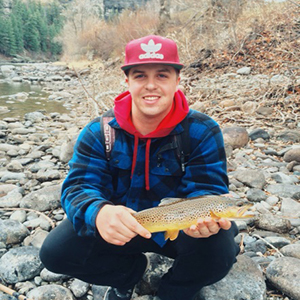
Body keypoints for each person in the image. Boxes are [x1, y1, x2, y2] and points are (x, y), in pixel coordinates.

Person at [39, 35, 239, 300]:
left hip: (179, 229)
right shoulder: (98, 132)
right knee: (56, 253)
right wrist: (98, 213)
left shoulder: (202, 130)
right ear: (127, 81)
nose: (151, 86)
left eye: (162, 76)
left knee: (221, 247)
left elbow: (208, 188)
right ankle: (129, 274)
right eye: (140, 76)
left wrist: (201, 220)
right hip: (119, 227)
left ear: (178, 81)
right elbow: (77, 188)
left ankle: (173, 292)